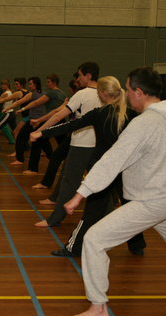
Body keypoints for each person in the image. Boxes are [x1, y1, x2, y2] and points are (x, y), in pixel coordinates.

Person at [64, 67, 166, 316]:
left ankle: (98, 309)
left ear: (139, 93)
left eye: (128, 90)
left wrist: (79, 195)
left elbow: (112, 161)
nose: (126, 94)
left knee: (94, 239)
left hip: (152, 201)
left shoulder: (144, 123)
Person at [30, 76, 145, 257]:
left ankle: (73, 247)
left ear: (102, 93)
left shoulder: (99, 114)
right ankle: (137, 245)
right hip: (124, 169)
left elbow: (70, 125)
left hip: (103, 171)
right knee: (127, 206)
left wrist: (41, 133)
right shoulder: (132, 114)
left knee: (91, 212)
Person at [33, 62, 102, 227]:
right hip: (99, 145)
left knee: (70, 182)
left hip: (81, 145)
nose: (77, 79)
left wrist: (39, 131)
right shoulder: (108, 92)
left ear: (88, 75)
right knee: (100, 181)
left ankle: (54, 219)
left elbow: (58, 116)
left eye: (79, 75)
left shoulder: (83, 94)